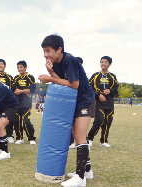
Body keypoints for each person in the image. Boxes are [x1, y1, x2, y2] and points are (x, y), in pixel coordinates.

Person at [38, 34, 95, 186]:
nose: (45, 54)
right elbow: (64, 82)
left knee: (79, 135)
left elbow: (74, 85)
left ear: (59, 49)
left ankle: (80, 178)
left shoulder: (69, 60)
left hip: (85, 100)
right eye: (44, 51)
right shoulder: (56, 63)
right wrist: (51, 72)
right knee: (76, 136)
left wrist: (50, 79)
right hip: (74, 101)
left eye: (48, 50)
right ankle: (87, 170)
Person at [87, 56, 119, 148]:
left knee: (107, 123)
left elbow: (116, 89)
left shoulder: (112, 76)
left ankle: (103, 141)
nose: (103, 64)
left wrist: (110, 91)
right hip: (98, 103)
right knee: (99, 120)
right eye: (101, 62)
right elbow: (89, 88)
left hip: (109, 104)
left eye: (105, 62)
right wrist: (98, 95)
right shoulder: (95, 75)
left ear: (109, 64)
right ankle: (89, 139)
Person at [12, 60, 36, 145]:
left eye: (21, 67)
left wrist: (21, 91)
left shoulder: (30, 77)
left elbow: (32, 90)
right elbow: (14, 89)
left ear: (25, 68)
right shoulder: (16, 78)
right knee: (17, 121)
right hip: (17, 103)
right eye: (18, 67)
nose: (19, 69)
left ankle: (31, 138)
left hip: (26, 103)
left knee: (26, 121)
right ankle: (19, 138)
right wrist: (25, 91)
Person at [0, 59, 15, 144]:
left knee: (8, 119)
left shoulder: (9, 77)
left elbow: (12, 89)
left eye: (1, 64)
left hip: (6, 102)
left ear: (5, 66)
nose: (0, 65)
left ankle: (10, 135)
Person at [69, 57, 84, 149]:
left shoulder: (83, 77)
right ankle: (70, 142)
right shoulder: (69, 75)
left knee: (80, 124)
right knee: (69, 123)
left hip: (80, 103)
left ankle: (82, 142)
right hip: (70, 103)